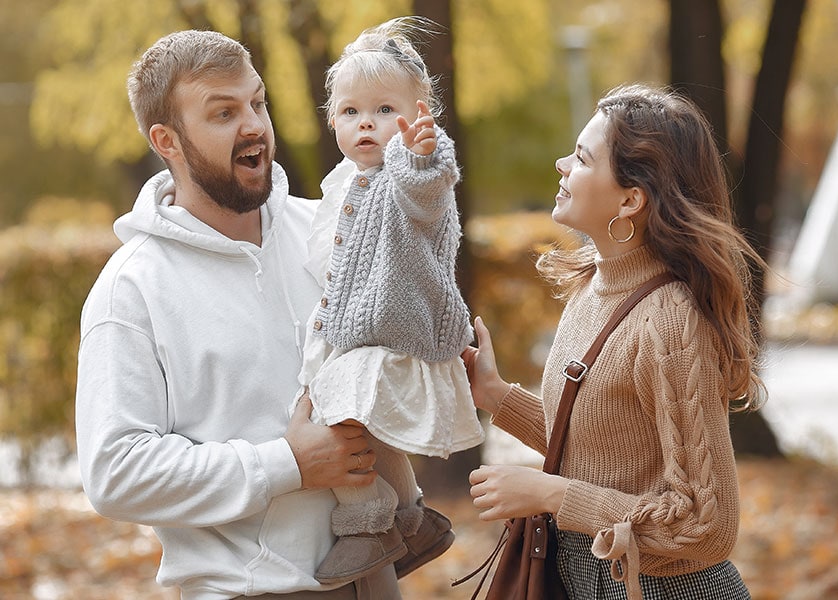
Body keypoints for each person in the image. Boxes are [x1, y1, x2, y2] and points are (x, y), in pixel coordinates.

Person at [75, 30, 403, 599]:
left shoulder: (332, 229)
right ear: (167, 141)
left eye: (258, 102)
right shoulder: (131, 289)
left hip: (379, 577)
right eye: (224, 112)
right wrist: (288, 463)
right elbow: (116, 472)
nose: (253, 125)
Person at [462, 84, 764, 600]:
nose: (561, 164)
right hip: (592, 578)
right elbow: (600, 447)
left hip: (664, 588)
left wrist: (554, 494)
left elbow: (706, 526)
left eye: (581, 158)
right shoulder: (593, 287)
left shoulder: (669, 322)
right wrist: (494, 395)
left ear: (630, 199)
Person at [295, 17, 484, 586]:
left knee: (340, 422)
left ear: (420, 111)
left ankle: (367, 523)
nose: (366, 125)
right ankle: (409, 516)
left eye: (383, 111)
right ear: (333, 120)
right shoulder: (341, 182)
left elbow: (425, 198)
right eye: (351, 112)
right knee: (342, 427)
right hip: (349, 330)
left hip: (395, 334)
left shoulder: (412, 170)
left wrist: (420, 154)